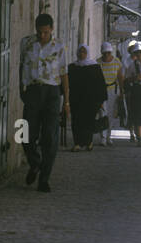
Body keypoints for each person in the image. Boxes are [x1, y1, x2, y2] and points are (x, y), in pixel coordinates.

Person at [20, 13, 69, 192]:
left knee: (50, 137)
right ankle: (35, 163)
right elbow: (21, 66)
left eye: (46, 33)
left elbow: (64, 73)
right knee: (24, 133)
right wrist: (22, 90)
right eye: (40, 32)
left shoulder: (59, 46)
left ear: (51, 30)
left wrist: (66, 102)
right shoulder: (26, 43)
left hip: (51, 93)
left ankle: (44, 178)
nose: (42, 36)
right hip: (32, 91)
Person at [68, 44, 108, 151]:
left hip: (91, 100)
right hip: (76, 99)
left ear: (87, 53)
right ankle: (77, 143)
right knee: (76, 121)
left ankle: (88, 142)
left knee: (88, 121)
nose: (81, 54)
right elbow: (67, 83)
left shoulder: (94, 66)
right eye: (80, 52)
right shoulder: (72, 67)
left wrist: (101, 100)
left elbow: (100, 84)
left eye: (84, 52)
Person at [97, 41, 123, 146]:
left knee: (111, 114)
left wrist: (122, 91)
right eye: (104, 53)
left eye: (108, 53)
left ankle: (109, 136)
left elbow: (120, 77)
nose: (107, 55)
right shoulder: (98, 62)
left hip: (113, 89)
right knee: (102, 113)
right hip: (101, 90)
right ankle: (102, 137)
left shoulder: (117, 62)